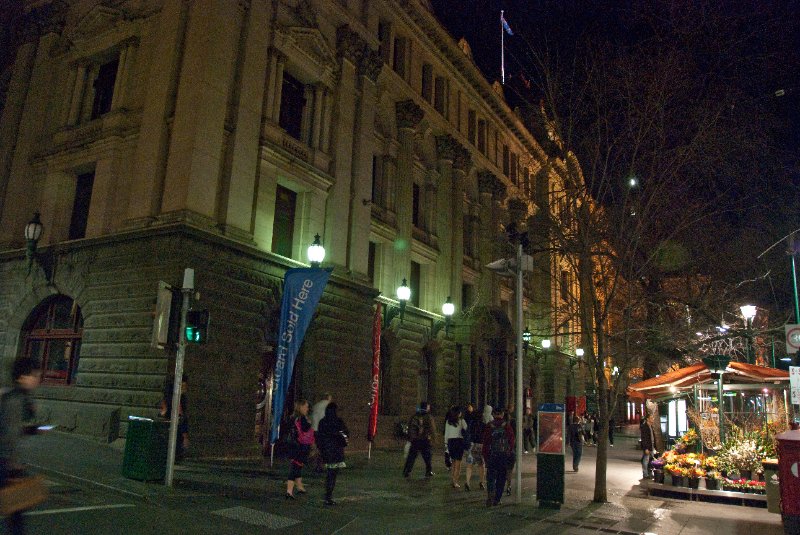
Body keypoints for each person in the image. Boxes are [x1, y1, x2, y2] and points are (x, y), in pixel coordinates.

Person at [0, 357, 42, 535]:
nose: (37, 379)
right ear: (22, 377)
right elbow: (11, 434)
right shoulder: (16, 399)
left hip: (4, 460)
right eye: (34, 375)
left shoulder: (13, 396)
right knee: (16, 511)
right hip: (4, 462)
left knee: (15, 511)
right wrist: (15, 465)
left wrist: (32, 430)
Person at [316, 402, 348, 506]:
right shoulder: (338, 422)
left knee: (329, 474)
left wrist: (321, 449)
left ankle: (328, 496)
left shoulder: (322, 422)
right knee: (333, 475)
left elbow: (319, 437)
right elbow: (346, 434)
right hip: (336, 451)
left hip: (327, 451)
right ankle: (328, 496)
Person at [482, 407, 514, 506]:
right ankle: (497, 499)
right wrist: (508, 452)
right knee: (501, 477)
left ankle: (490, 496)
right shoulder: (507, 426)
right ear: (502, 414)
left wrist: (486, 456)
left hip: (492, 455)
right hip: (503, 456)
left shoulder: (489, 426)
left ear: (494, 414)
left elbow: (486, 442)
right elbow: (511, 441)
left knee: (490, 477)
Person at [286, 399, 315, 499]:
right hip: (300, 445)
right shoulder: (301, 418)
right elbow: (305, 428)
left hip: (293, 444)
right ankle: (289, 491)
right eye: (306, 406)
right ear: (301, 407)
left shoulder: (292, 417)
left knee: (298, 465)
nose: (307, 409)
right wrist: (309, 422)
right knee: (295, 467)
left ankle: (299, 486)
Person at [159, 373, 189, 461]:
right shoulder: (175, 399)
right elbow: (180, 416)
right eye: (183, 385)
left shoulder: (178, 398)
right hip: (174, 427)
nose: (185, 387)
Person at [402, 401, 436, 478]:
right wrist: (434, 438)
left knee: (412, 456)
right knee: (427, 457)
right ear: (426, 407)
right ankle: (428, 471)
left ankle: (407, 471)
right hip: (425, 439)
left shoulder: (414, 416)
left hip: (415, 440)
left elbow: (410, 426)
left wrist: (410, 437)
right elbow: (432, 428)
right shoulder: (428, 417)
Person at [463, 403, 486, 491]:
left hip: (471, 445)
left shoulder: (471, 424)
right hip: (480, 446)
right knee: (481, 465)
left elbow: (467, 434)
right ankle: (481, 482)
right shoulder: (484, 425)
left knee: (469, 465)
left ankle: (467, 482)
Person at [443, 406, 468, 488]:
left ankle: (453, 480)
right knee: (458, 464)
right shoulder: (461, 421)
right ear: (458, 413)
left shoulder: (448, 421)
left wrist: (446, 444)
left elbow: (446, 434)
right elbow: (467, 429)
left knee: (453, 462)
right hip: (458, 442)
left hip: (450, 442)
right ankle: (455, 481)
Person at [310, 393, 332, 471]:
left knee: (317, 448)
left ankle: (316, 465)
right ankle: (322, 465)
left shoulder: (316, 405)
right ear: (328, 398)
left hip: (314, 430)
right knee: (324, 448)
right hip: (323, 430)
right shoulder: (329, 405)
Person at [640, 415, 656, 479]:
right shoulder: (644, 427)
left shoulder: (650, 426)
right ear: (647, 419)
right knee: (646, 460)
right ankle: (645, 474)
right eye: (651, 418)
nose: (653, 419)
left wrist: (654, 447)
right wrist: (646, 448)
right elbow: (644, 438)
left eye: (653, 418)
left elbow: (652, 437)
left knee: (650, 460)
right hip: (647, 446)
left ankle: (649, 473)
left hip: (651, 446)